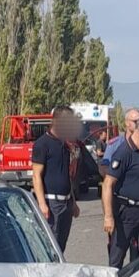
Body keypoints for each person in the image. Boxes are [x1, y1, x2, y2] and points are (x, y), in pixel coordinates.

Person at [103, 114, 139, 268]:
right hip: (126, 213)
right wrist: (108, 216)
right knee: (117, 258)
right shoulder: (124, 153)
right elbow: (107, 184)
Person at [31, 106, 84, 252]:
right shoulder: (42, 144)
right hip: (51, 203)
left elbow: (67, 175)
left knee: (61, 245)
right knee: (51, 246)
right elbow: (36, 176)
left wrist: (72, 202)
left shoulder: (66, 144)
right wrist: (42, 204)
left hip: (66, 203)